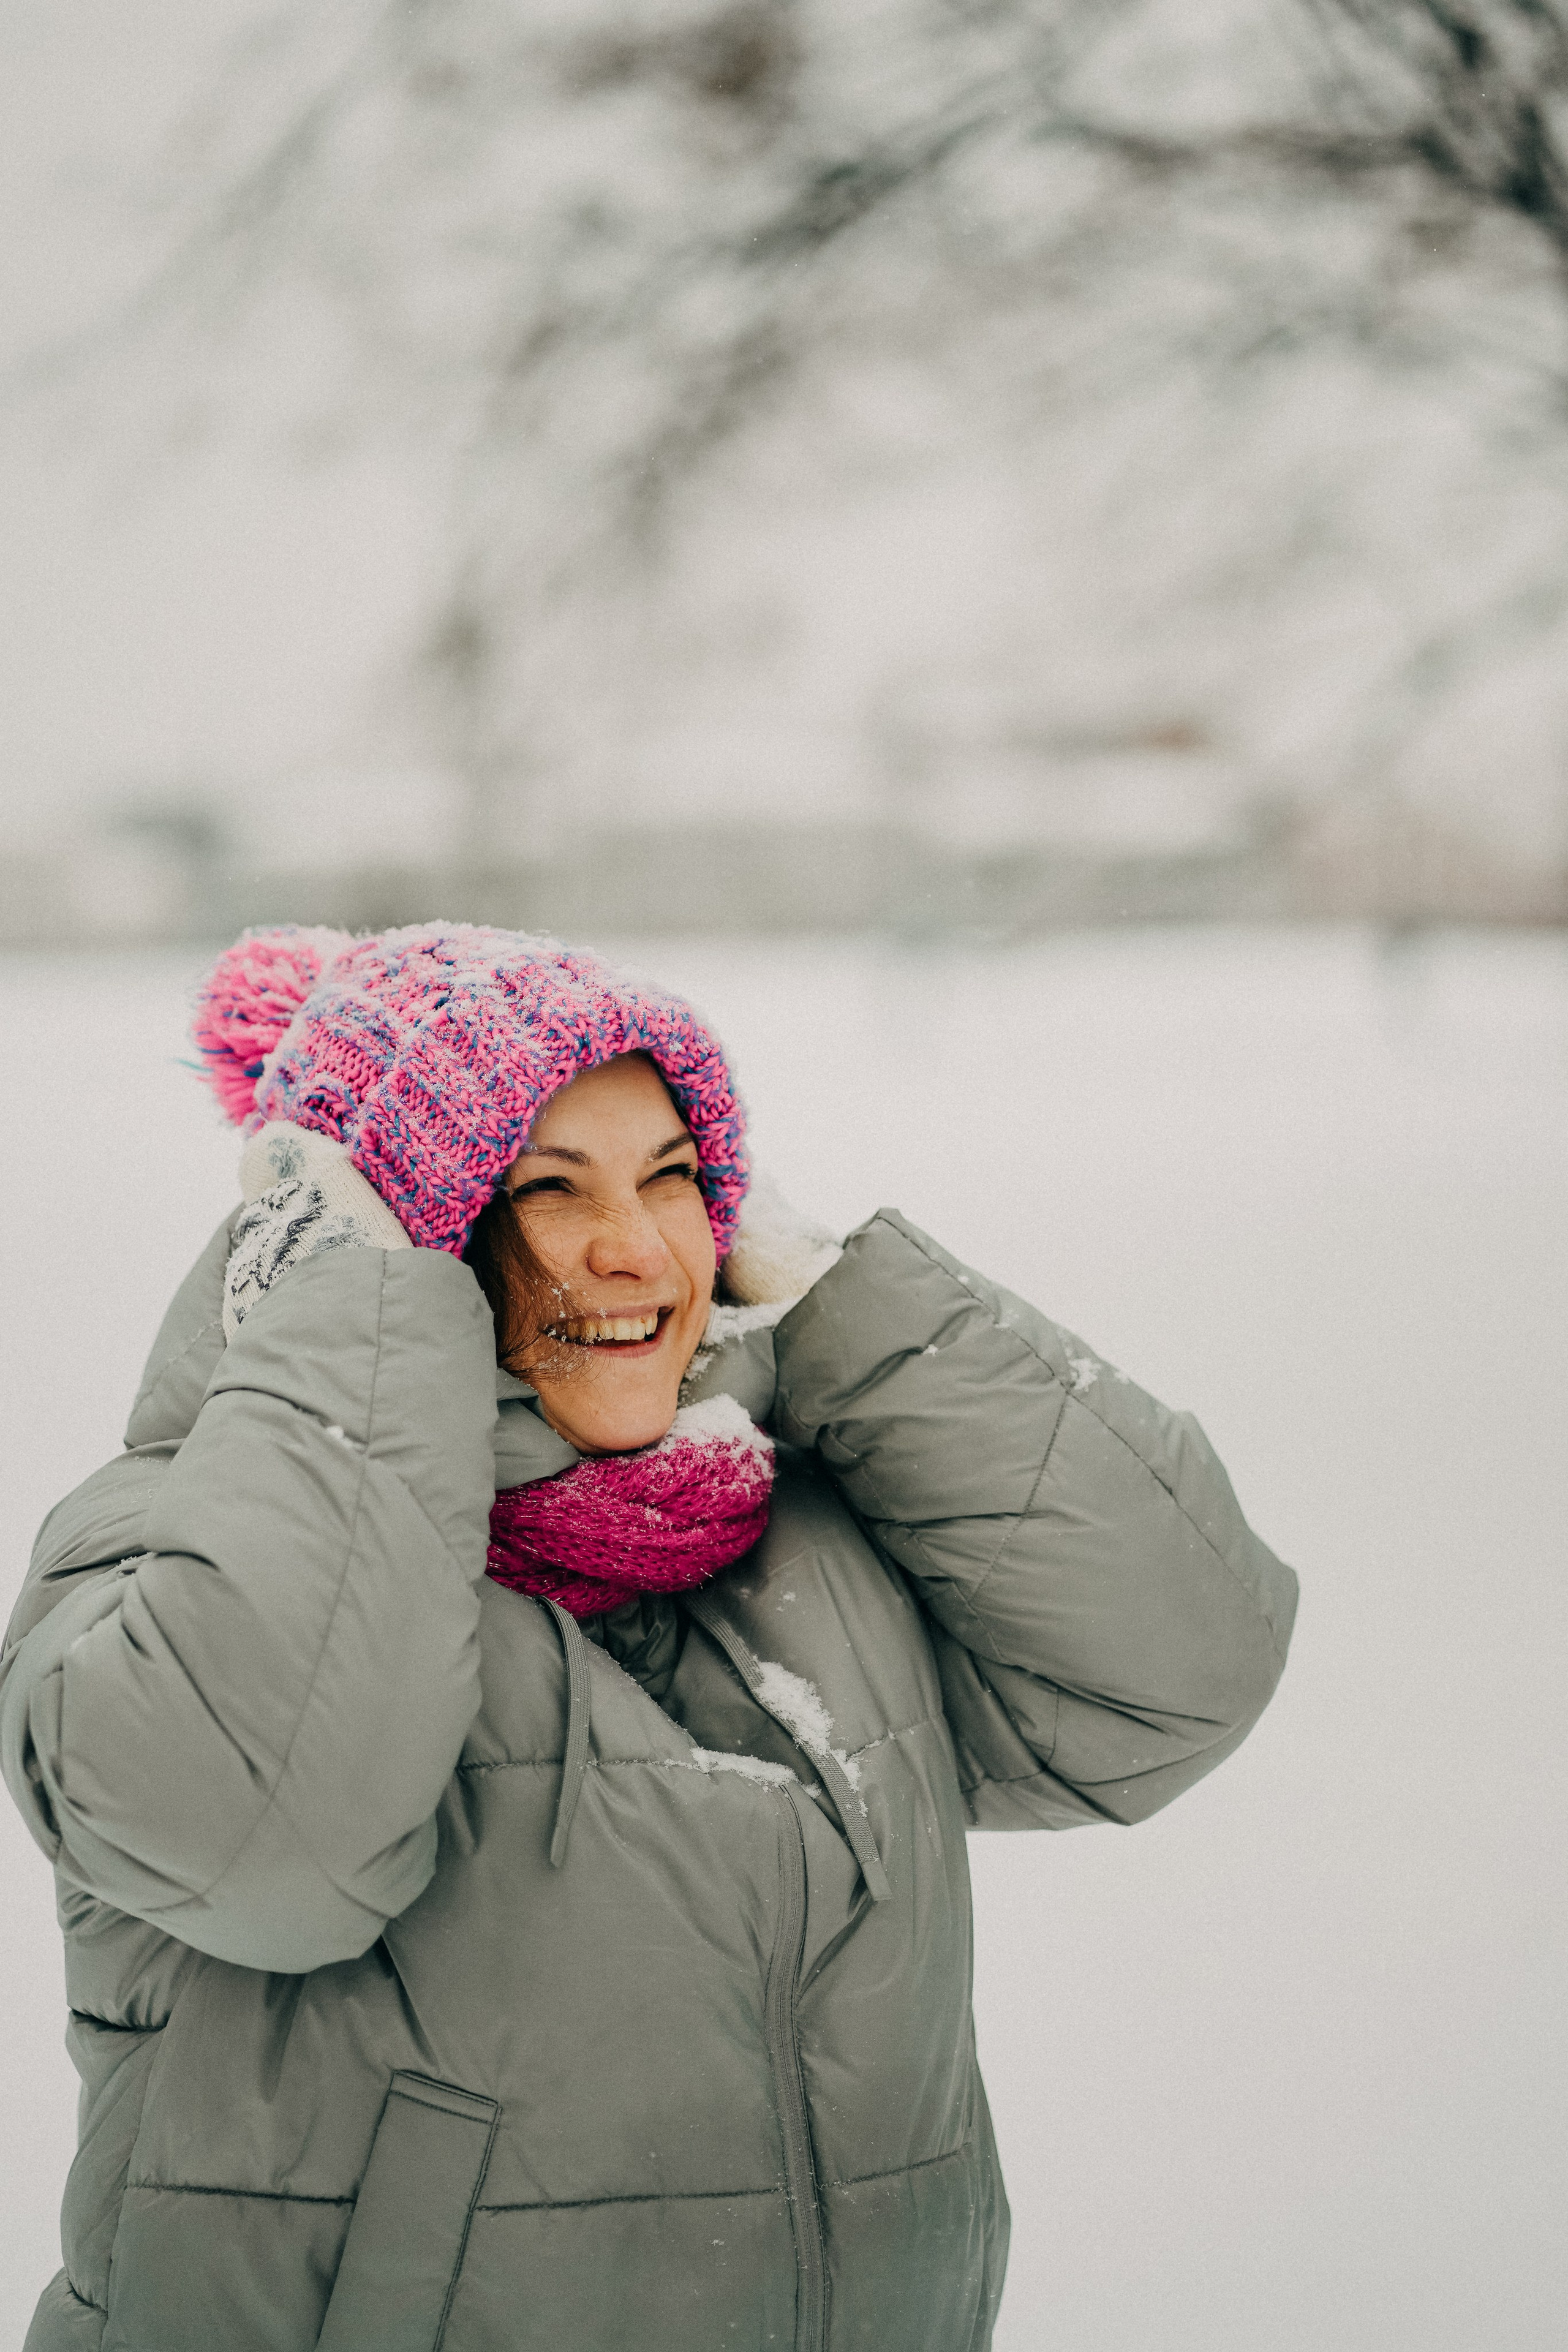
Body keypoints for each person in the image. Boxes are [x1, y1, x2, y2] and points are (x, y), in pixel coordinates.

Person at [1, 922, 1298, 2352]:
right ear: (398, 1236)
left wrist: (832, 1302)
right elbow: (268, 1849)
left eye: (674, 1178)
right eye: (547, 1187)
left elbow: (1175, 1675)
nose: (636, 1250)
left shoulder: (801, 1530)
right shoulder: (156, 1549)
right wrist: (354, 1314)